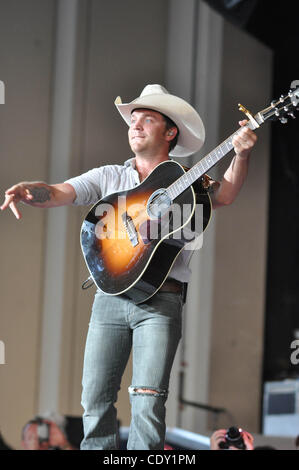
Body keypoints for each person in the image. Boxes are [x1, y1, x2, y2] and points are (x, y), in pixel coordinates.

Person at [1, 84, 257, 450]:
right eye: (132, 120)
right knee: (94, 398)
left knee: (148, 401)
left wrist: (241, 156)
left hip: (163, 302)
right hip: (109, 298)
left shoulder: (191, 182)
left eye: (146, 119)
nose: (134, 126)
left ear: (170, 133)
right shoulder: (110, 177)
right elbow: (59, 192)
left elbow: (226, 194)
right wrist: (31, 189)